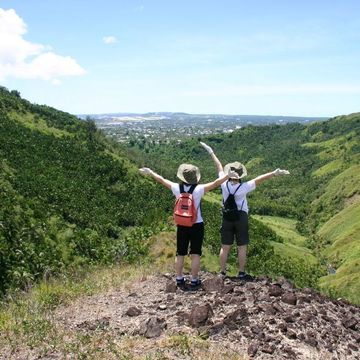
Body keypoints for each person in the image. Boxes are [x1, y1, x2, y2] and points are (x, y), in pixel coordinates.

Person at [139, 163, 239, 289]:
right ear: (195, 177)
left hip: (181, 224)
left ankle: (179, 278)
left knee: (180, 253)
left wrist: (150, 171)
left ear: (182, 177)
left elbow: (162, 180)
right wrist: (227, 176)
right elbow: (215, 183)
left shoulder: (176, 188)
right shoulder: (199, 189)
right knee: (195, 253)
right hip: (197, 224)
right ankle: (194, 279)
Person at [200, 141, 290, 281]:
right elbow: (259, 179)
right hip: (241, 217)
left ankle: (222, 272)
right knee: (242, 246)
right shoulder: (244, 187)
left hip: (227, 216)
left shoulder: (223, 184)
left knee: (225, 246)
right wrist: (274, 173)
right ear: (241, 175)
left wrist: (211, 152)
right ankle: (241, 273)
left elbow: (218, 165)